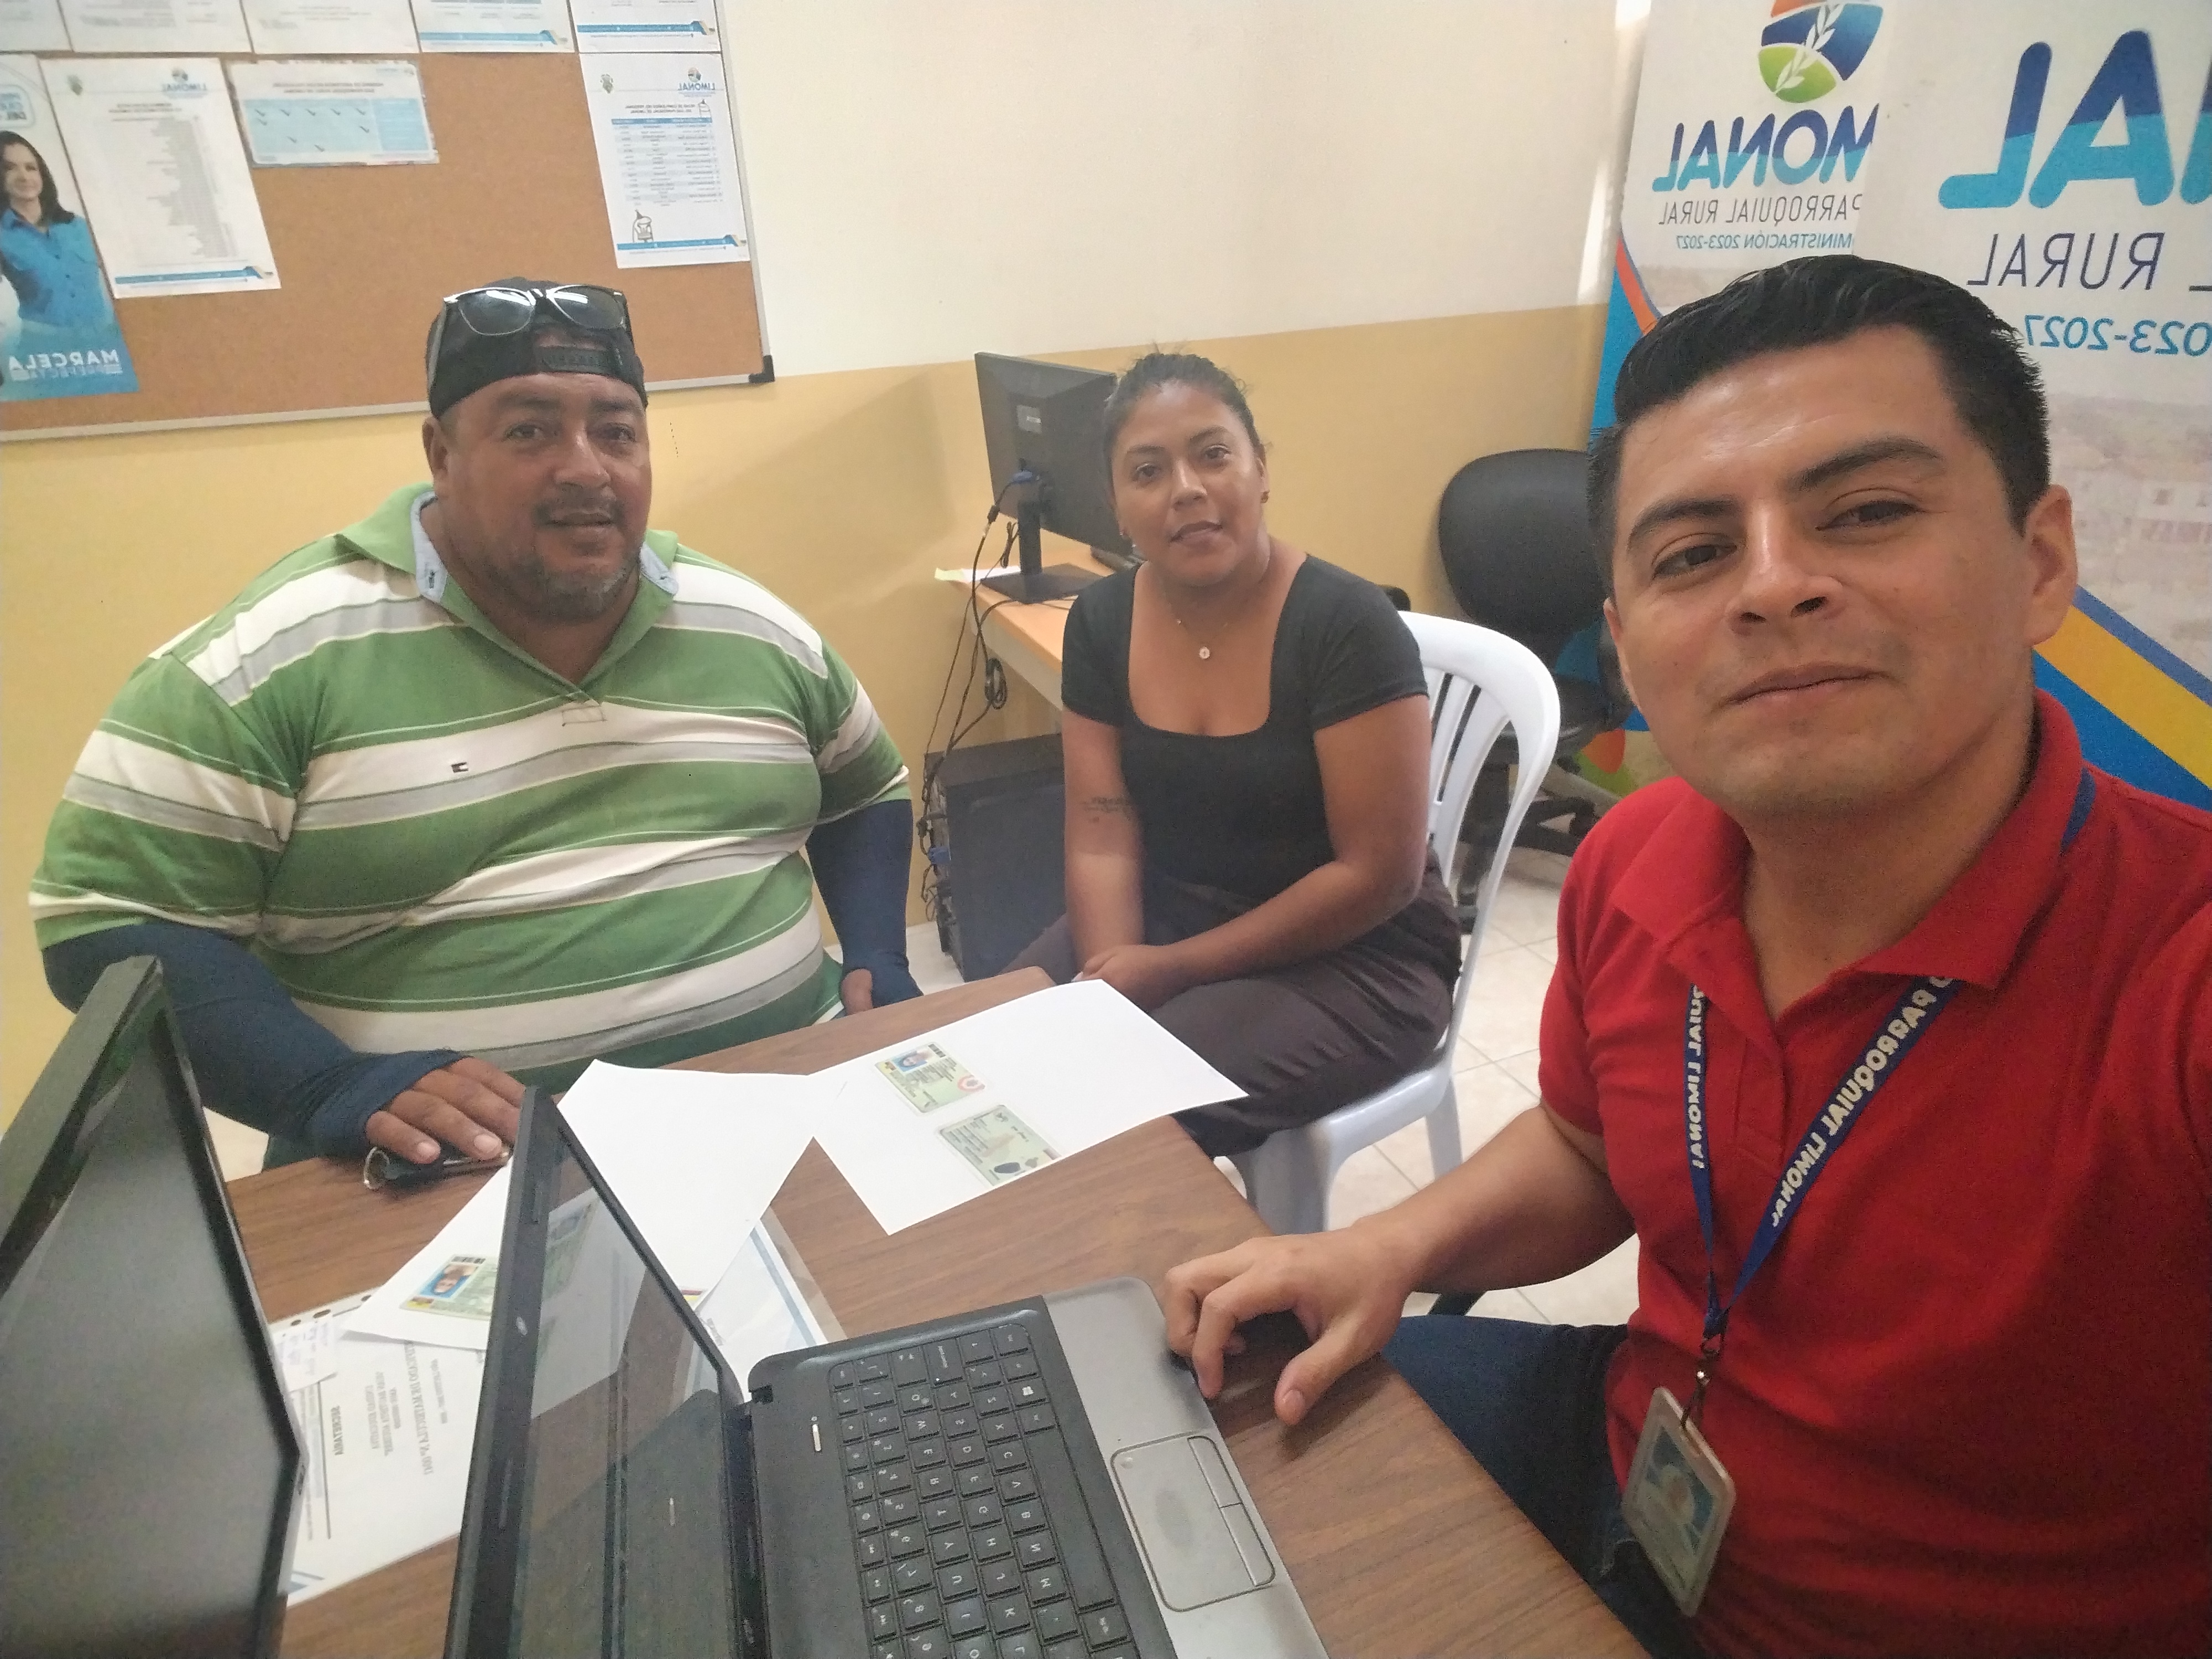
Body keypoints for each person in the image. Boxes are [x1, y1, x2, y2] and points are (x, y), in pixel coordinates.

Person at [1161, 257, 2211, 1657]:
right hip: (1631, 1444)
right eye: (1693, 554)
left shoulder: (2175, 975)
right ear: (1626, 646)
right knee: (1186, 1433)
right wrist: (1382, 1246)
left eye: (1866, 512)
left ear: (2039, 562)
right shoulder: (1636, 858)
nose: (1772, 587)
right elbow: (1591, 1146)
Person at [34, 279, 920, 1168]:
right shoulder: (274, 659)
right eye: (529, 430)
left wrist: (877, 950)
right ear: (442, 453)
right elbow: (104, 924)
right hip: (456, 1167)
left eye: (616, 432)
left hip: (787, 1107)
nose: (586, 468)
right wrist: (322, 1087)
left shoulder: (747, 624)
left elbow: (864, 787)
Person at [1009, 352, 1462, 1156]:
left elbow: (1377, 877)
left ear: (1261, 472)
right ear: (1117, 508)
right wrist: (1117, 979)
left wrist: (1172, 970)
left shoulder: (1347, 625)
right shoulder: (1101, 623)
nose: (1185, 488)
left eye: (1213, 454)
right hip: (1173, 913)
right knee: (992, 1060)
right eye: (1147, 471)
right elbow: (1102, 831)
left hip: (1356, 956)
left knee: (1111, 1112)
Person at [0, 132, 111, 332]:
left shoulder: (80, 226)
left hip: (104, 341)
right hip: (44, 344)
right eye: (9, 168)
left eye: (31, 168)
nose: (24, 177)